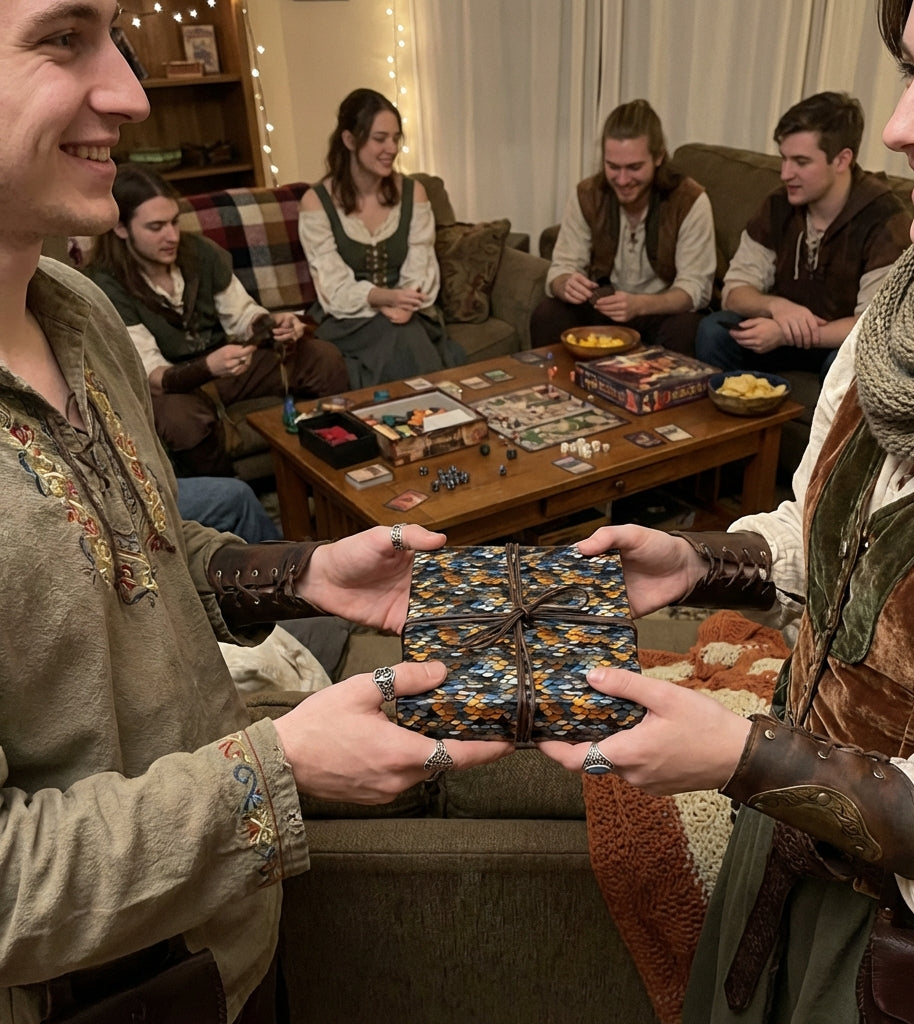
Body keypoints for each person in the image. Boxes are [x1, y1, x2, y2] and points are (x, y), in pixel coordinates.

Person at [0, 5, 510, 1022]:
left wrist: (302, 574)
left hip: (235, 934)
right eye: (63, 39)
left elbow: (139, 546)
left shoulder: (78, 306)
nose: (131, 95)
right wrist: (279, 771)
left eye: (116, 37)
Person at [542, 0, 914, 1019]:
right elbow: (826, 545)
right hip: (783, 842)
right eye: (907, 68)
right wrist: (693, 563)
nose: (899, 124)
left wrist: (741, 754)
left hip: (911, 937)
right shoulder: (893, 327)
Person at [87, 164, 350, 476]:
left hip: (226, 369)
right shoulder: (106, 284)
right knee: (180, 420)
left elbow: (241, 314)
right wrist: (208, 366)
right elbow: (152, 376)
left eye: (174, 222)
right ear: (121, 228)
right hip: (173, 388)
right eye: (156, 227)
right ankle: (230, 500)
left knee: (323, 358)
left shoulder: (199, 252)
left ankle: (334, 471)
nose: (172, 236)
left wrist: (272, 324)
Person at [695, 90, 912, 383]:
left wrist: (787, 334)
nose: (785, 173)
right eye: (784, 159)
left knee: (848, 363)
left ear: (841, 160)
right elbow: (734, 292)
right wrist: (776, 306)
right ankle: (740, 419)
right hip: (780, 328)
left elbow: (871, 325)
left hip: (835, 341)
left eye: (800, 161)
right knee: (714, 330)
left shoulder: (884, 218)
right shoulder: (778, 205)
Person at [299, 88, 465, 388]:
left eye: (396, 138)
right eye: (380, 138)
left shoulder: (414, 193)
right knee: (400, 337)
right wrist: (381, 297)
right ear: (350, 140)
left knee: (403, 331)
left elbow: (421, 268)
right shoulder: (316, 202)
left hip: (408, 313)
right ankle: (438, 411)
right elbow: (333, 288)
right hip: (347, 319)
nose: (391, 148)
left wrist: (403, 301)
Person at [530, 98, 716, 354]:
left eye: (634, 168)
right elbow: (562, 267)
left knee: (688, 329)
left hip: (660, 311)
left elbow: (695, 290)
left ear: (659, 156)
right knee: (548, 314)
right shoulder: (588, 193)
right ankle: (555, 389)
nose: (622, 179)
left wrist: (640, 305)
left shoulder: (689, 200)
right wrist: (565, 283)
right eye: (613, 167)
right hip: (604, 306)